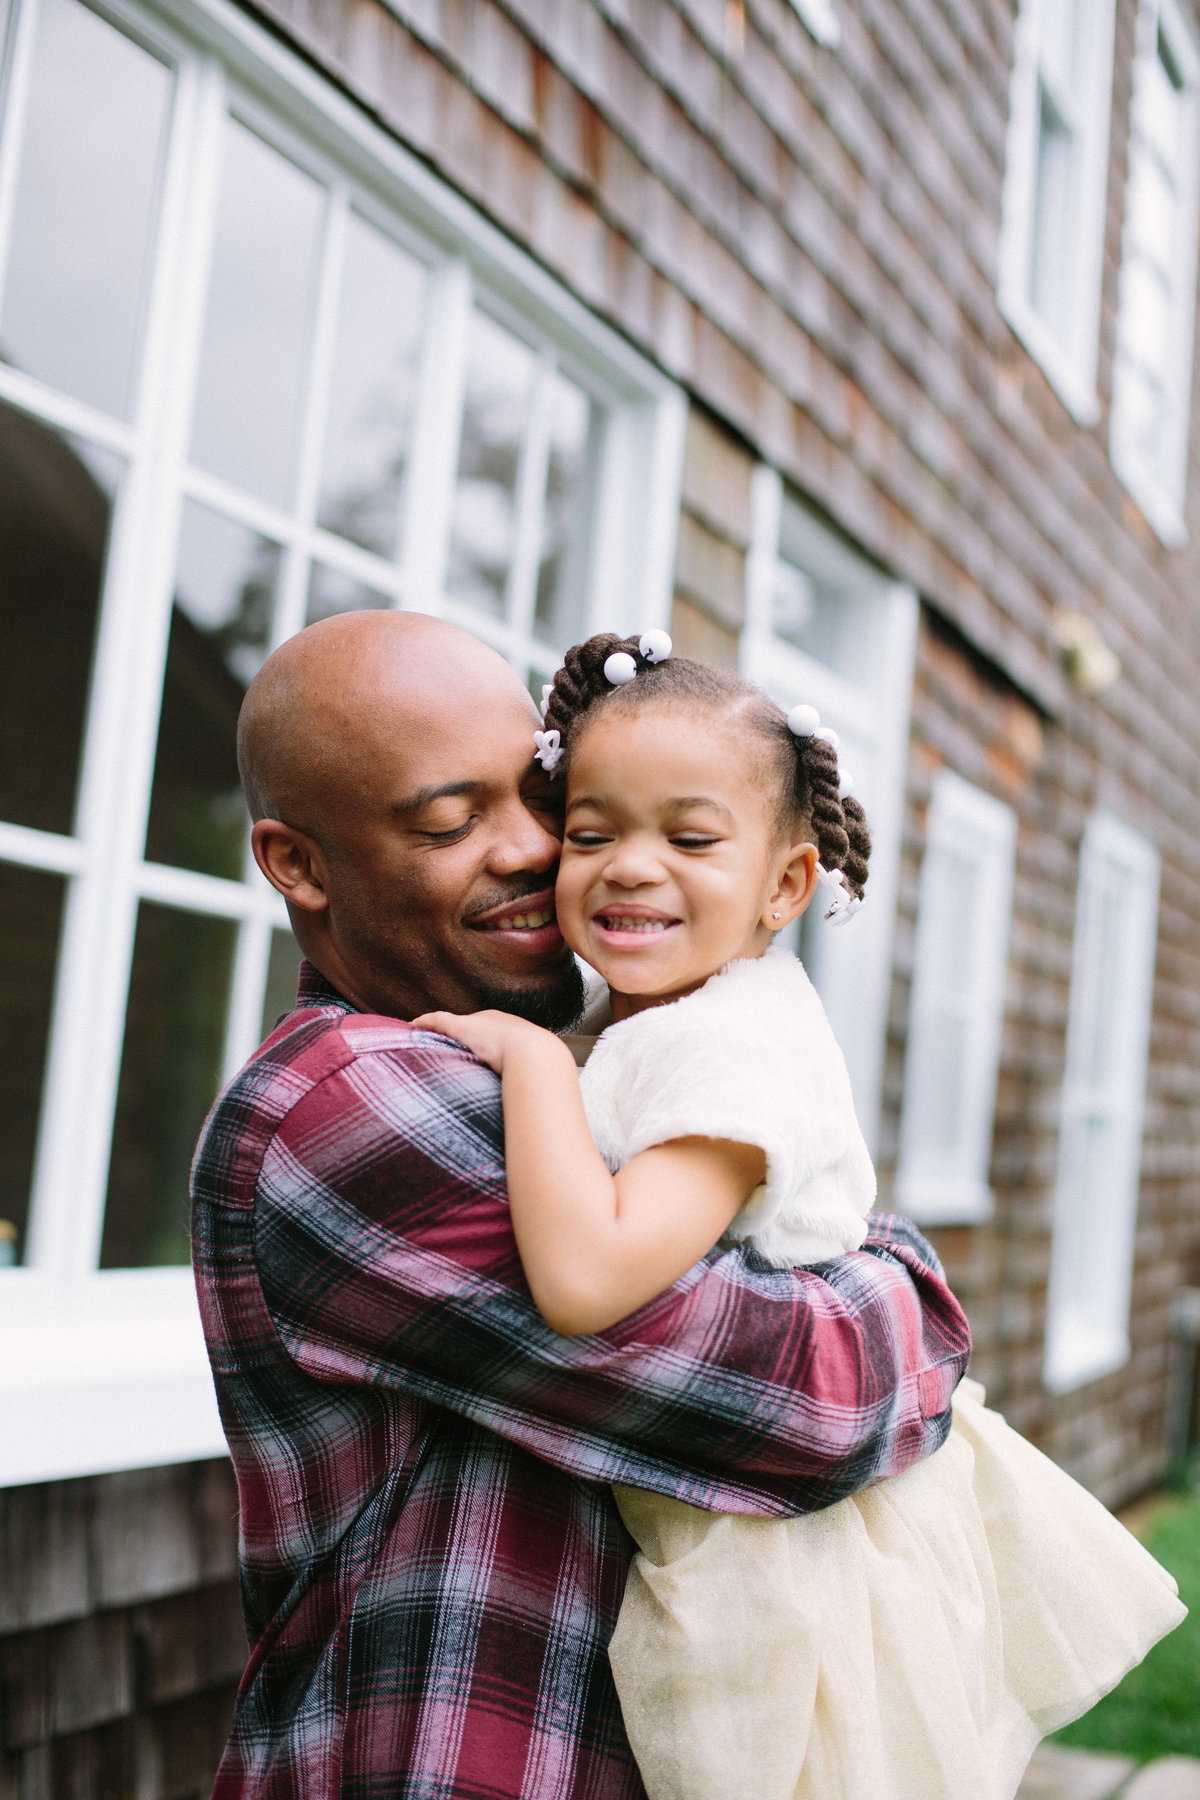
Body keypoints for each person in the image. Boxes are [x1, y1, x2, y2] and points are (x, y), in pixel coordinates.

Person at [192, 609, 972, 1800]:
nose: (533, 852)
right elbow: (806, 1404)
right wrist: (904, 1278)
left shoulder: (583, 1060)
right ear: (299, 863)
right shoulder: (354, 1105)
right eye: (453, 821)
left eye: (541, 800)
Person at [417, 630, 1186, 1800]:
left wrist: (526, 1063)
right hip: (758, 1512)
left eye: (688, 837)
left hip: (791, 1567)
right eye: (591, 833)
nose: (629, 866)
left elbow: (586, 1281)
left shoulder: (723, 1047)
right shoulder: (676, 1014)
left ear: (785, 884)